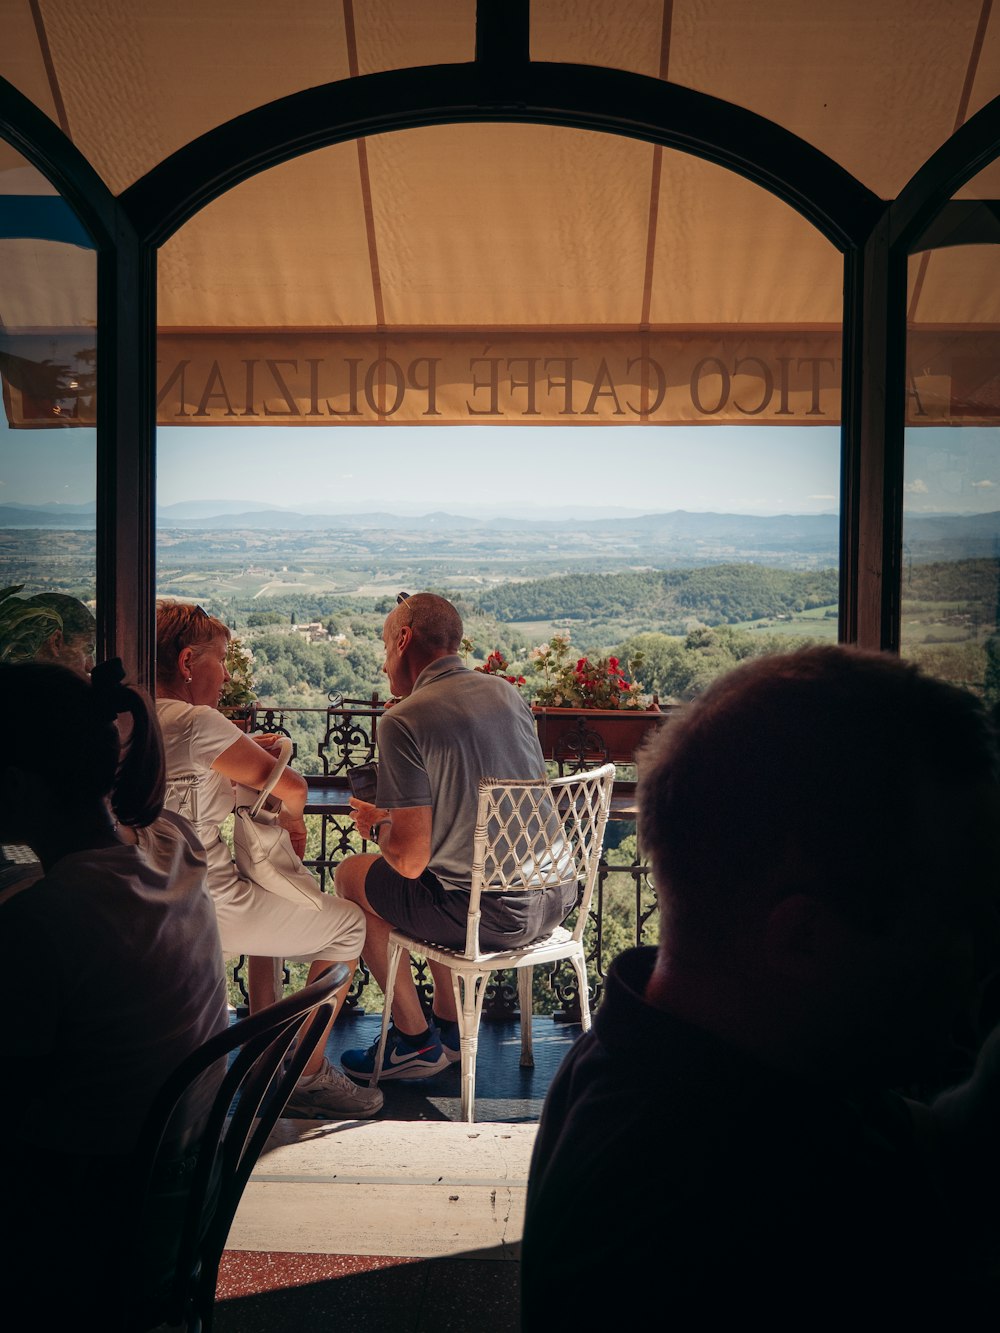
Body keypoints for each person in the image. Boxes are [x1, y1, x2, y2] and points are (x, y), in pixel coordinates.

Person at [522, 646, 1000, 1326]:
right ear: (803, 936)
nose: (978, 969)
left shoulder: (646, 1067)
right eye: (961, 921)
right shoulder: (741, 1219)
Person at [0, 658, 228, 1319]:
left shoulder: (43, 922)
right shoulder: (173, 843)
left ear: (17, 787)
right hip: (184, 1202)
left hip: (95, 1236)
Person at [153, 601, 382, 1118]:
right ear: (189, 661)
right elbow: (295, 788)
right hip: (209, 906)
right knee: (348, 927)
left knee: (266, 897)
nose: (227, 672)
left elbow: (188, 766)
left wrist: (241, 747)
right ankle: (306, 1074)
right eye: (220, 660)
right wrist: (295, 822)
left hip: (153, 902)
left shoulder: (134, 716)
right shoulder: (197, 722)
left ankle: (263, 1053)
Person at [336, 592, 576, 1079]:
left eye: (385, 647)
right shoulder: (505, 693)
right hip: (557, 897)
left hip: (491, 916)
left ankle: (414, 1041)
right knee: (439, 878)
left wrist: (378, 825)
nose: (385, 665)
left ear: (404, 640)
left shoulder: (404, 719)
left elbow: (408, 861)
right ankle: (447, 1024)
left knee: (351, 875)